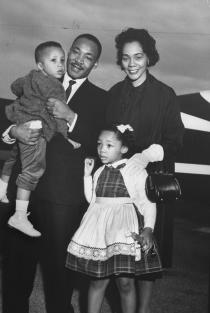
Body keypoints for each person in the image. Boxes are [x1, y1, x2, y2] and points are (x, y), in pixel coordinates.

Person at [1, 33, 107, 313]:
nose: (78, 60)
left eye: (88, 57)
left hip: (64, 199)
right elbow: (10, 114)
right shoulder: (40, 77)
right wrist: (14, 131)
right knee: (15, 266)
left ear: (95, 64)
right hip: (26, 193)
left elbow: (101, 143)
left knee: (59, 273)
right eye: (75, 51)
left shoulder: (101, 99)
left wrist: (70, 116)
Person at [106, 28, 184, 313]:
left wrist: (144, 156)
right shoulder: (114, 94)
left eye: (138, 57)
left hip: (151, 188)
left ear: (149, 58)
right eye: (126, 58)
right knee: (123, 261)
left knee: (148, 260)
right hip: (119, 189)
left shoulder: (165, 94)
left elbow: (176, 140)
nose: (132, 64)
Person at [66, 124, 164, 313]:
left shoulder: (134, 170)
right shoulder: (99, 171)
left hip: (124, 230)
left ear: (124, 149)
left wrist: (149, 228)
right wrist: (87, 176)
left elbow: (148, 202)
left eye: (109, 145)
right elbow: (93, 200)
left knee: (125, 283)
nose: (102, 149)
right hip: (101, 231)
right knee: (97, 281)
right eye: (99, 144)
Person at [0, 41, 80, 237]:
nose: (60, 64)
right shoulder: (55, 88)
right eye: (54, 60)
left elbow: (14, 86)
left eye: (62, 60)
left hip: (20, 119)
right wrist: (65, 136)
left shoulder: (30, 77)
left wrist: (26, 98)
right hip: (35, 130)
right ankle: (19, 216)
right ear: (41, 65)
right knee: (33, 170)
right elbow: (57, 117)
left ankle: (1, 190)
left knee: (12, 159)